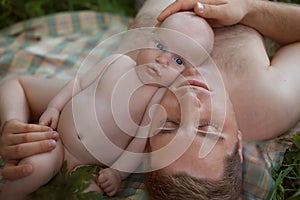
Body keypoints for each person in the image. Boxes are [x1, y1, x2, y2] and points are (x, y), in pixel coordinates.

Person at [1, 0, 300, 199]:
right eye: (208, 129)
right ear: (238, 140)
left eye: (169, 126)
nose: (192, 105)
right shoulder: (269, 104)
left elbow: (20, 87)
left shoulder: (132, 86)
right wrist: (247, 9)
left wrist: (12, 124)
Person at [0, 11, 214, 199]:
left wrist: (117, 173)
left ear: (186, 73)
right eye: (160, 46)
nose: (162, 60)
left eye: (178, 61)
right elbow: (78, 83)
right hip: (56, 141)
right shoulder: (116, 62)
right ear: (150, 36)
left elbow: (138, 144)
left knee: (87, 193)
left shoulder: (155, 100)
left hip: (88, 167)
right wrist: (54, 107)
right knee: (33, 169)